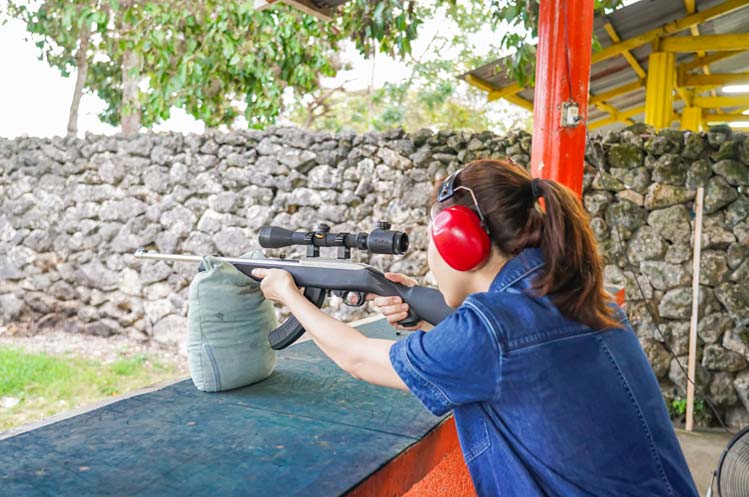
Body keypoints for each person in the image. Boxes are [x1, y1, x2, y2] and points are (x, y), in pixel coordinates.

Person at [251, 159, 699, 497]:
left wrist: (290, 296)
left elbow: (358, 360)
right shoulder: (585, 297)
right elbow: (517, 348)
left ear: (458, 241)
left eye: (433, 238)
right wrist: (420, 313)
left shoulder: (490, 330)